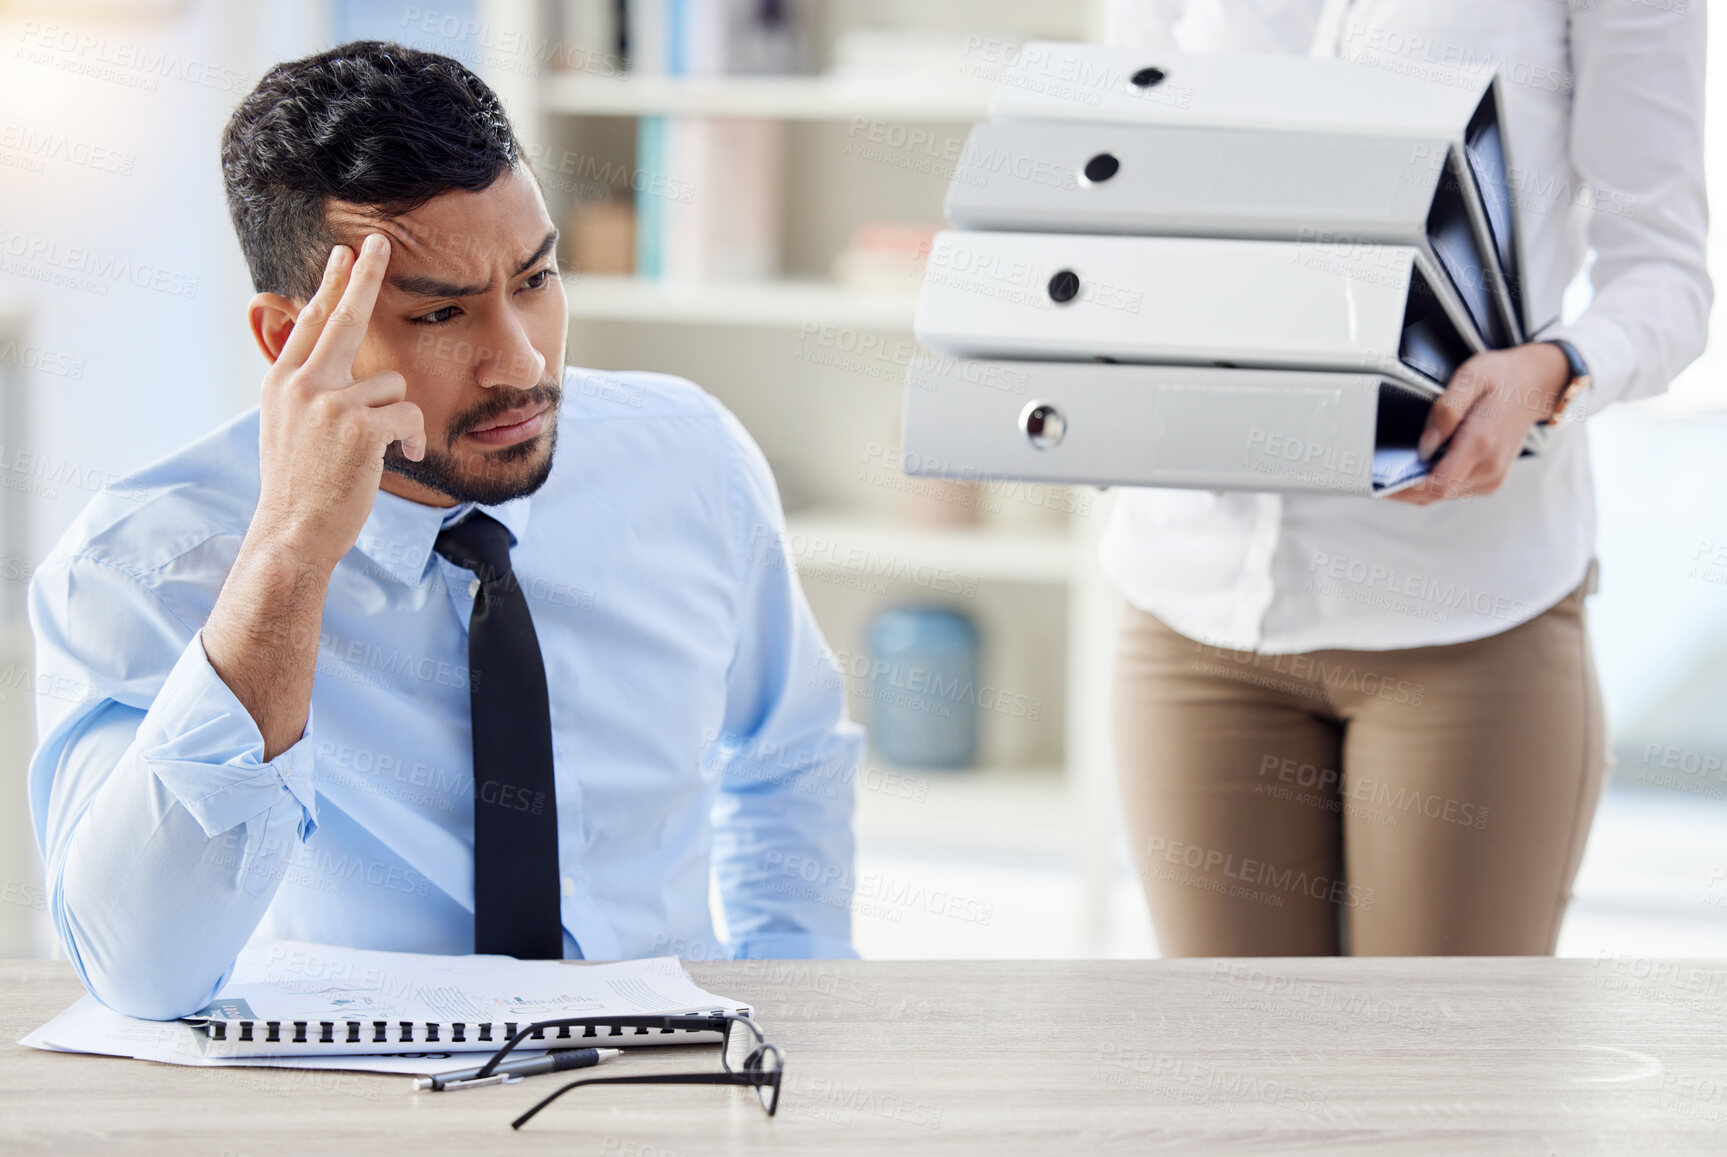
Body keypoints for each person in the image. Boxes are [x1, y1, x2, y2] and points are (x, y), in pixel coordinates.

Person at [26, 41, 862, 1020]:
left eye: (536, 280)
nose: (518, 363)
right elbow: (142, 971)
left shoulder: (691, 459)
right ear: (289, 338)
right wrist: (291, 554)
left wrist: (788, 1000)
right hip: (343, 1105)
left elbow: (786, 754)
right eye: (440, 315)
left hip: (669, 1083)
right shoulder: (137, 565)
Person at [1103, 0, 1710, 954]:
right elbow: (1111, 189)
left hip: (1464, 623)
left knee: (1438, 1084)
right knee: (1228, 1085)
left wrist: (1549, 371)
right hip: (1194, 611)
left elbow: (1665, 275)